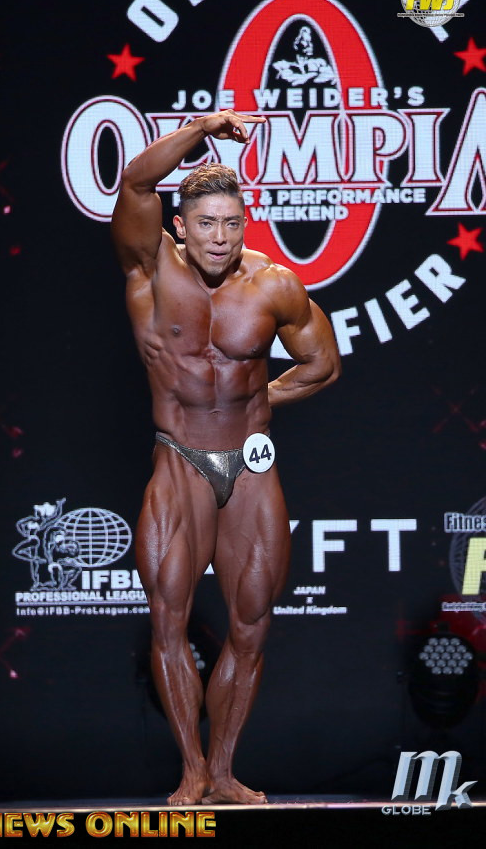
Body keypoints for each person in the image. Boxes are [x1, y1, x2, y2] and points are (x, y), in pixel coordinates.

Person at [111, 111, 340, 805]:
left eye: (232, 224)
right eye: (207, 223)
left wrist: (258, 397)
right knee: (168, 621)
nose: (220, 237)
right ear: (180, 227)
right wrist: (206, 125)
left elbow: (322, 365)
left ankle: (224, 770)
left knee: (251, 624)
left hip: (250, 466)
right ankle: (190, 770)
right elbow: (135, 182)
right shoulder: (150, 268)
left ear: (246, 224)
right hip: (180, 458)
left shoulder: (273, 284)